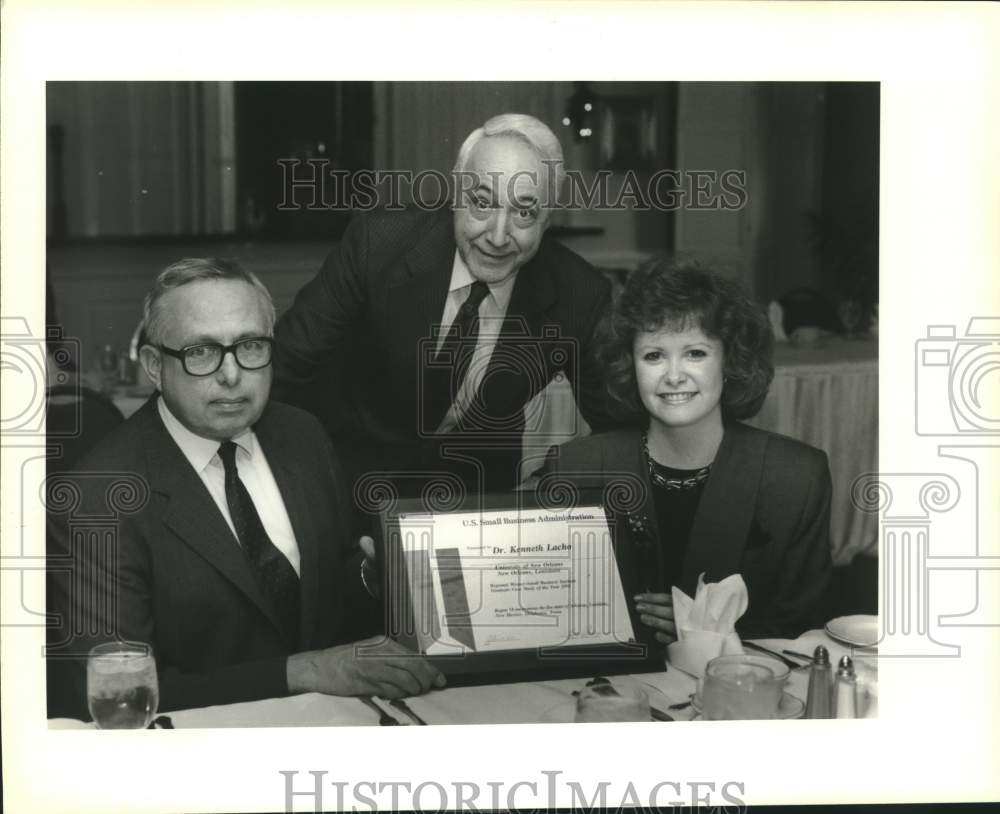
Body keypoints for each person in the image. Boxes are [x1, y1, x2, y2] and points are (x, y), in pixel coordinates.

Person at [47, 258, 443, 718]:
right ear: (155, 366)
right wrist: (301, 671)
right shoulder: (99, 496)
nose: (232, 374)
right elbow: (119, 695)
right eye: (200, 352)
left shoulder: (302, 436)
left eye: (251, 346)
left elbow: (328, 585)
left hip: (333, 729)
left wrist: (373, 580)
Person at [271, 113, 616, 498]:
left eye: (524, 212)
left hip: (477, 498)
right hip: (350, 478)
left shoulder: (579, 293)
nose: (498, 236)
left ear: (547, 219)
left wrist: (556, 482)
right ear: (455, 195)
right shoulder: (379, 244)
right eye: (482, 202)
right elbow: (285, 366)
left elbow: (618, 426)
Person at [539, 260, 833, 640]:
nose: (673, 375)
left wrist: (706, 632)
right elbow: (549, 618)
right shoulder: (576, 468)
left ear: (729, 361)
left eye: (695, 353)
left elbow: (803, 631)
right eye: (653, 356)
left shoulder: (795, 477)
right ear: (630, 366)